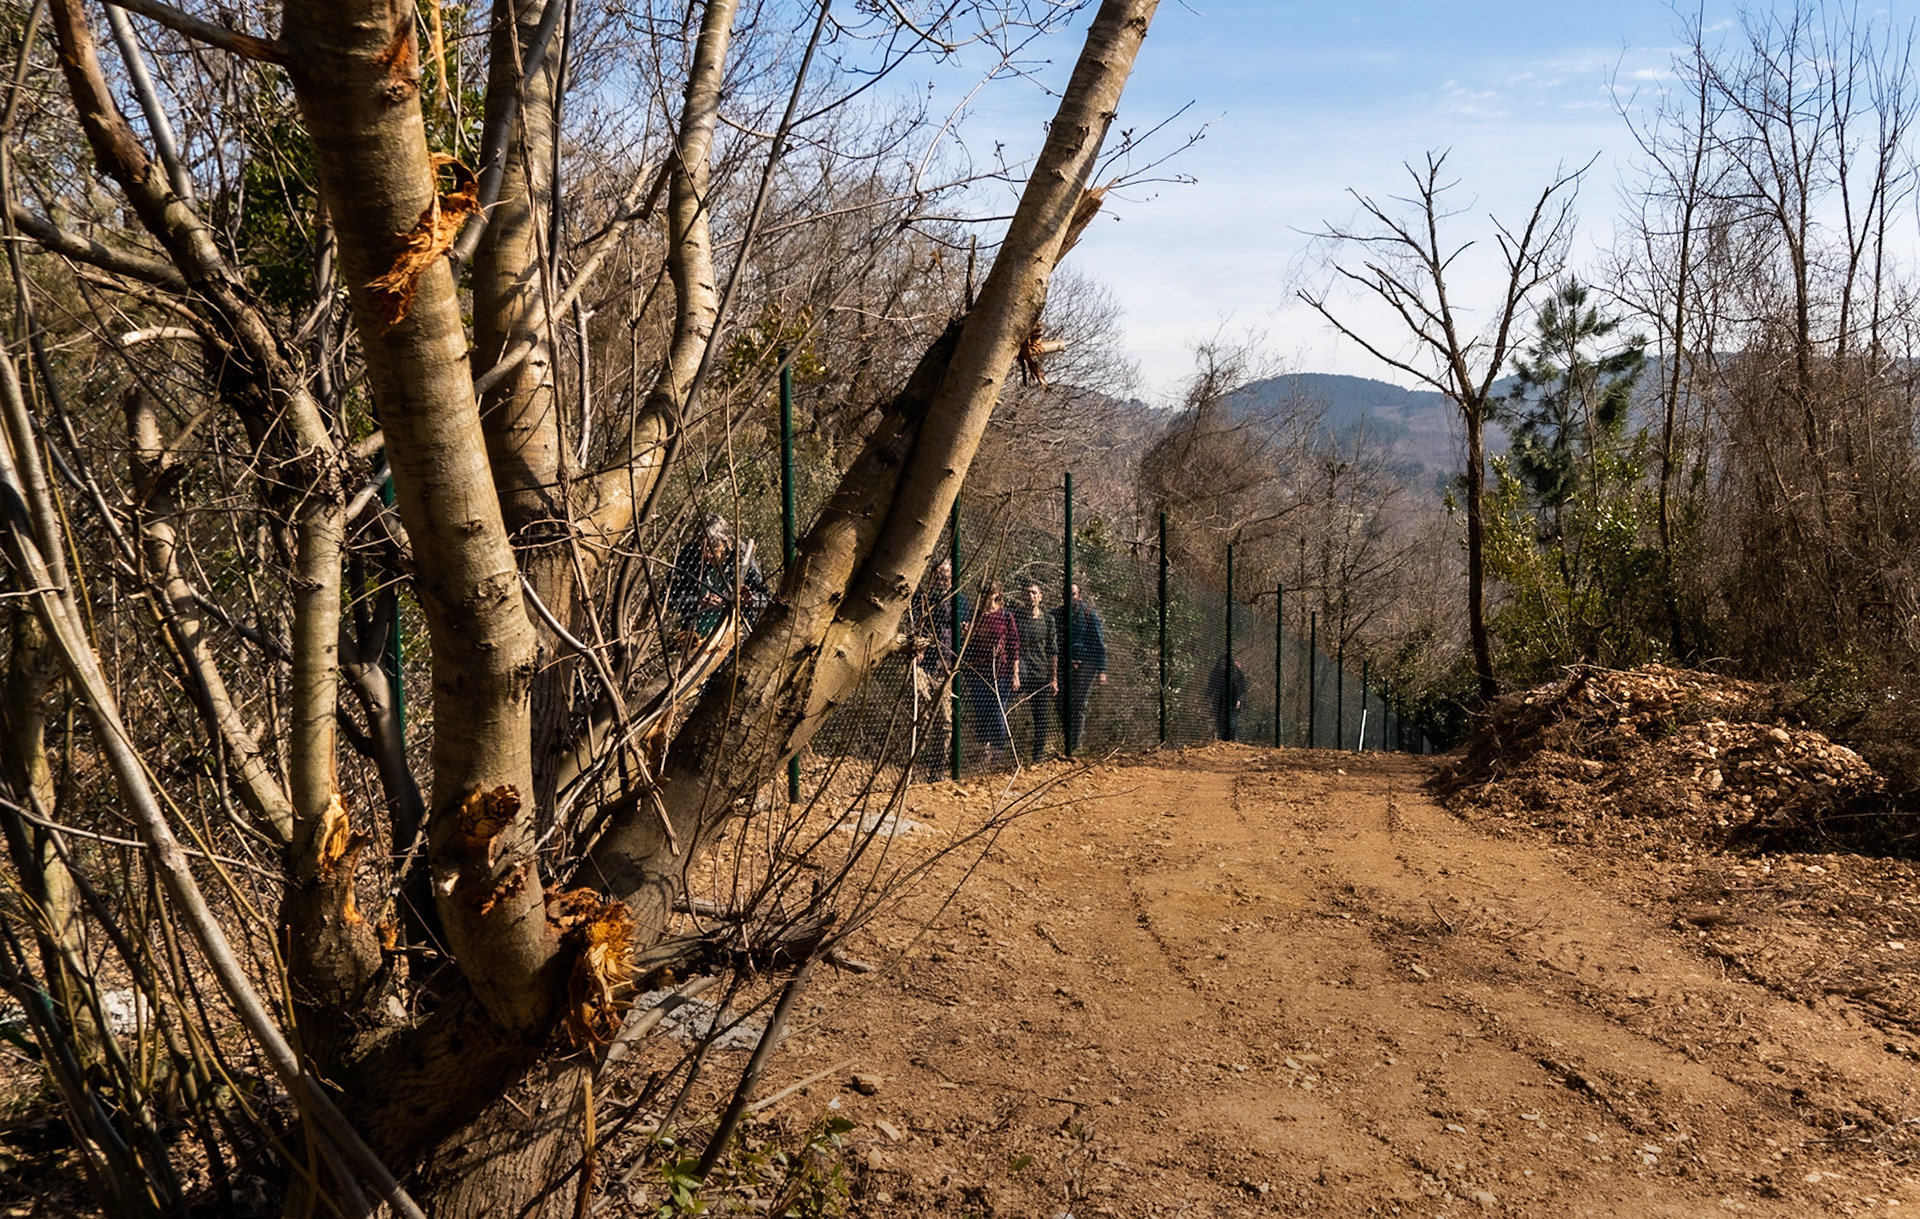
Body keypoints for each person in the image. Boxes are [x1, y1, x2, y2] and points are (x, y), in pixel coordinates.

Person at [665, 514, 770, 649]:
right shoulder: (690, 554)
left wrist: (746, 599)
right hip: (694, 638)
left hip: (732, 639)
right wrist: (698, 601)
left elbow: (765, 598)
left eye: (712, 547)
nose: (706, 554)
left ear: (726, 543)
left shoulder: (742, 557)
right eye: (701, 547)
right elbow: (667, 598)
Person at [907, 559, 968, 780]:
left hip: (947, 666)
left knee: (944, 720)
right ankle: (911, 767)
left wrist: (964, 627)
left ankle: (938, 768)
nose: (943, 577)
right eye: (939, 573)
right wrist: (917, 644)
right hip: (923, 663)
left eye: (946, 573)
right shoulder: (922, 598)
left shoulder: (960, 600)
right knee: (920, 711)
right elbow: (913, 624)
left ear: (952, 575)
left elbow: (964, 625)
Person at [961, 581, 1019, 767]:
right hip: (978, 671)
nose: (987, 595)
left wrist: (1015, 673)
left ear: (997, 594)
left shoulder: (1005, 616)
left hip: (1000, 672)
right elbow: (968, 643)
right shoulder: (975, 615)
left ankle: (998, 752)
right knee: (981, 711)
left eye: (991, 592)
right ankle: (982, 752)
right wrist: (966, 634)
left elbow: (1014, 645)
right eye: (984, 592)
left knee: (997, 711)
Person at [1055, 583, 1108, 755]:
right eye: (1066, 594)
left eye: (1073, 594)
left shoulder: (1089, 615)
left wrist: (1102, 670)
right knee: (1061, 701)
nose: (1069, 598)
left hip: (1087, 662)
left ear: (1080, 596)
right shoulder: (1057, 615)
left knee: (1078, 703)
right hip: (1064, 662)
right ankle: (1067, 737)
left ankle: (1074, 745)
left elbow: (1099, 644)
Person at [1013, 580, 1058, 762]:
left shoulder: (1048, 620)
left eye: (1034, 593)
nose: (1030, 596)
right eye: (1027, 593)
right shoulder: (1016, 617)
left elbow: (1053, 651)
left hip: (1040, 674)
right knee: (1003, 709)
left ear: (1040, 597)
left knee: (1041, 719)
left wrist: (1053, 678)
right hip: (1020, 673)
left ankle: (1037, 758)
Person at [1206, 653, 1247, 741]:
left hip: (1233, 701)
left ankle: (1232, 740)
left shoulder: (1236, 673)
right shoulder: (1216, 673)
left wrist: (1239, 699)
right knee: (1220, 723)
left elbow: (1242, 687)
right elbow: (1211, 686)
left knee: (1231, 723)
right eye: (1222, 663)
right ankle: (1224, 741)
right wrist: (1208, 698)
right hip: (1219, 701)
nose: (1224, 665)